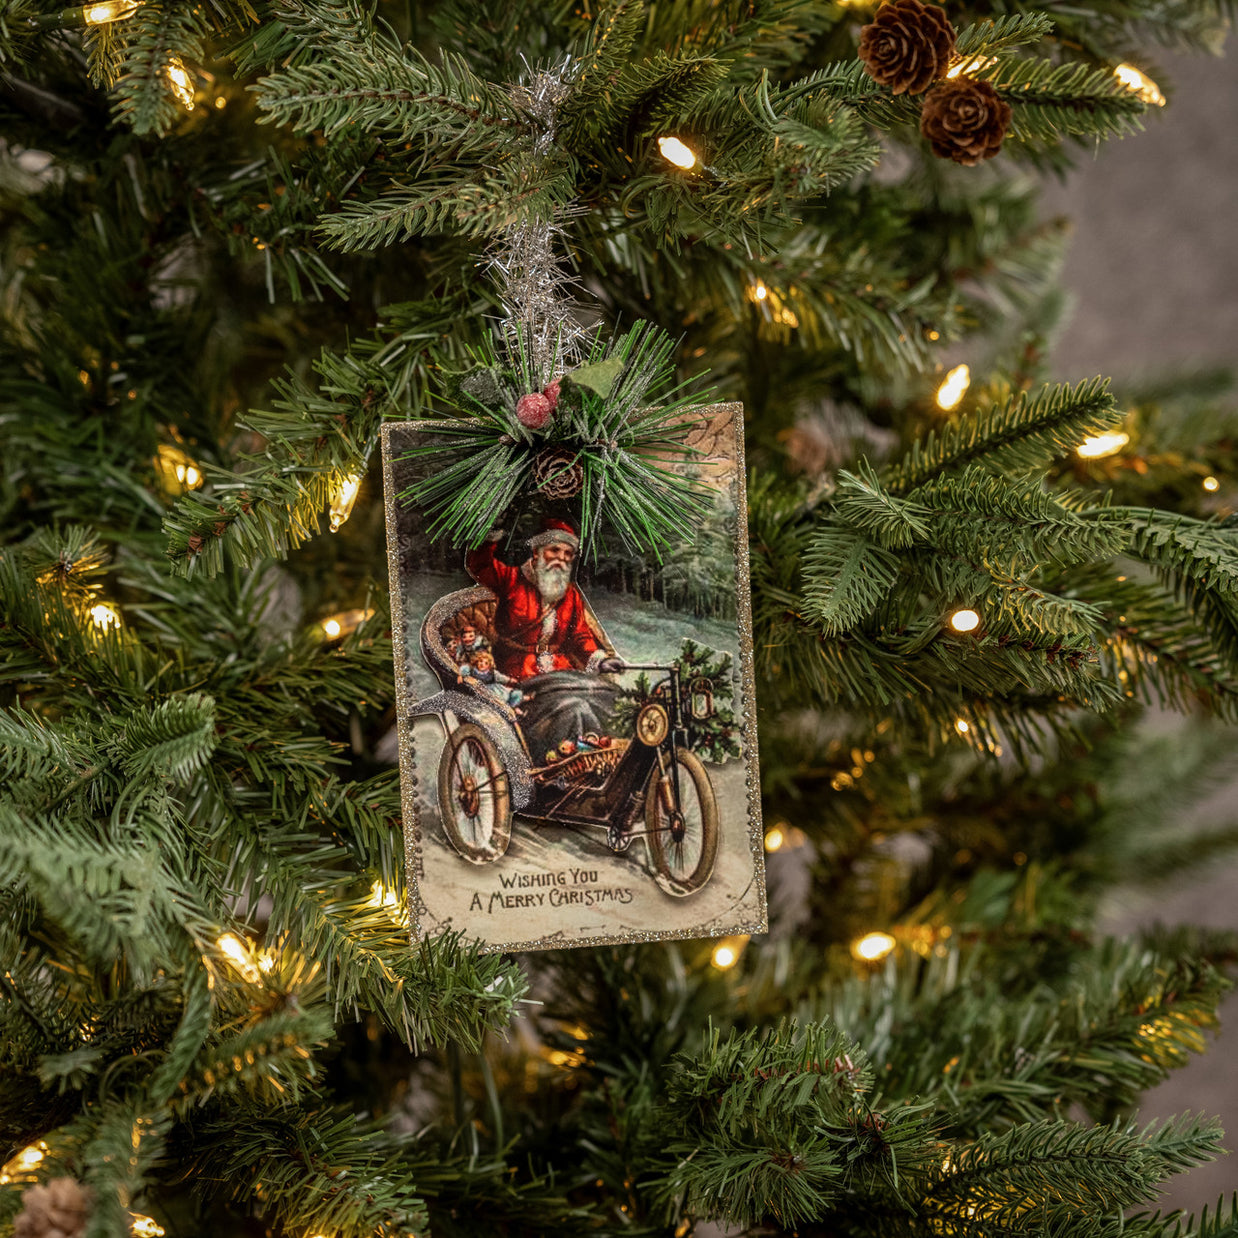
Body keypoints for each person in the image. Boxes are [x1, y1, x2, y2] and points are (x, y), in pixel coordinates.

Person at [465, 518, 625, 681]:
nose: (561, 558)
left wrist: (601, 661)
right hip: (516, 671)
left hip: (560, 670)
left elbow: (580, 636)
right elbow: (479, 565)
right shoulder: (511, 579)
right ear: (536, 552)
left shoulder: (570, 594)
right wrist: (491, 532)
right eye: (554, 550)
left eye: (568, 553)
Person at [457, 648, 524, 710]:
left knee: (505, 697)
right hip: (481, 692)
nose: (482, 664)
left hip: (494, 690)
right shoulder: (472, 669)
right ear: (477, 661)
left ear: (489, 666)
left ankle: (514, 705)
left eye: (486, 663)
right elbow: (464, 669)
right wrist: (460, 675)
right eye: (480, 661)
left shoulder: (492, 673)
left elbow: (502, 678)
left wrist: (510, 680)